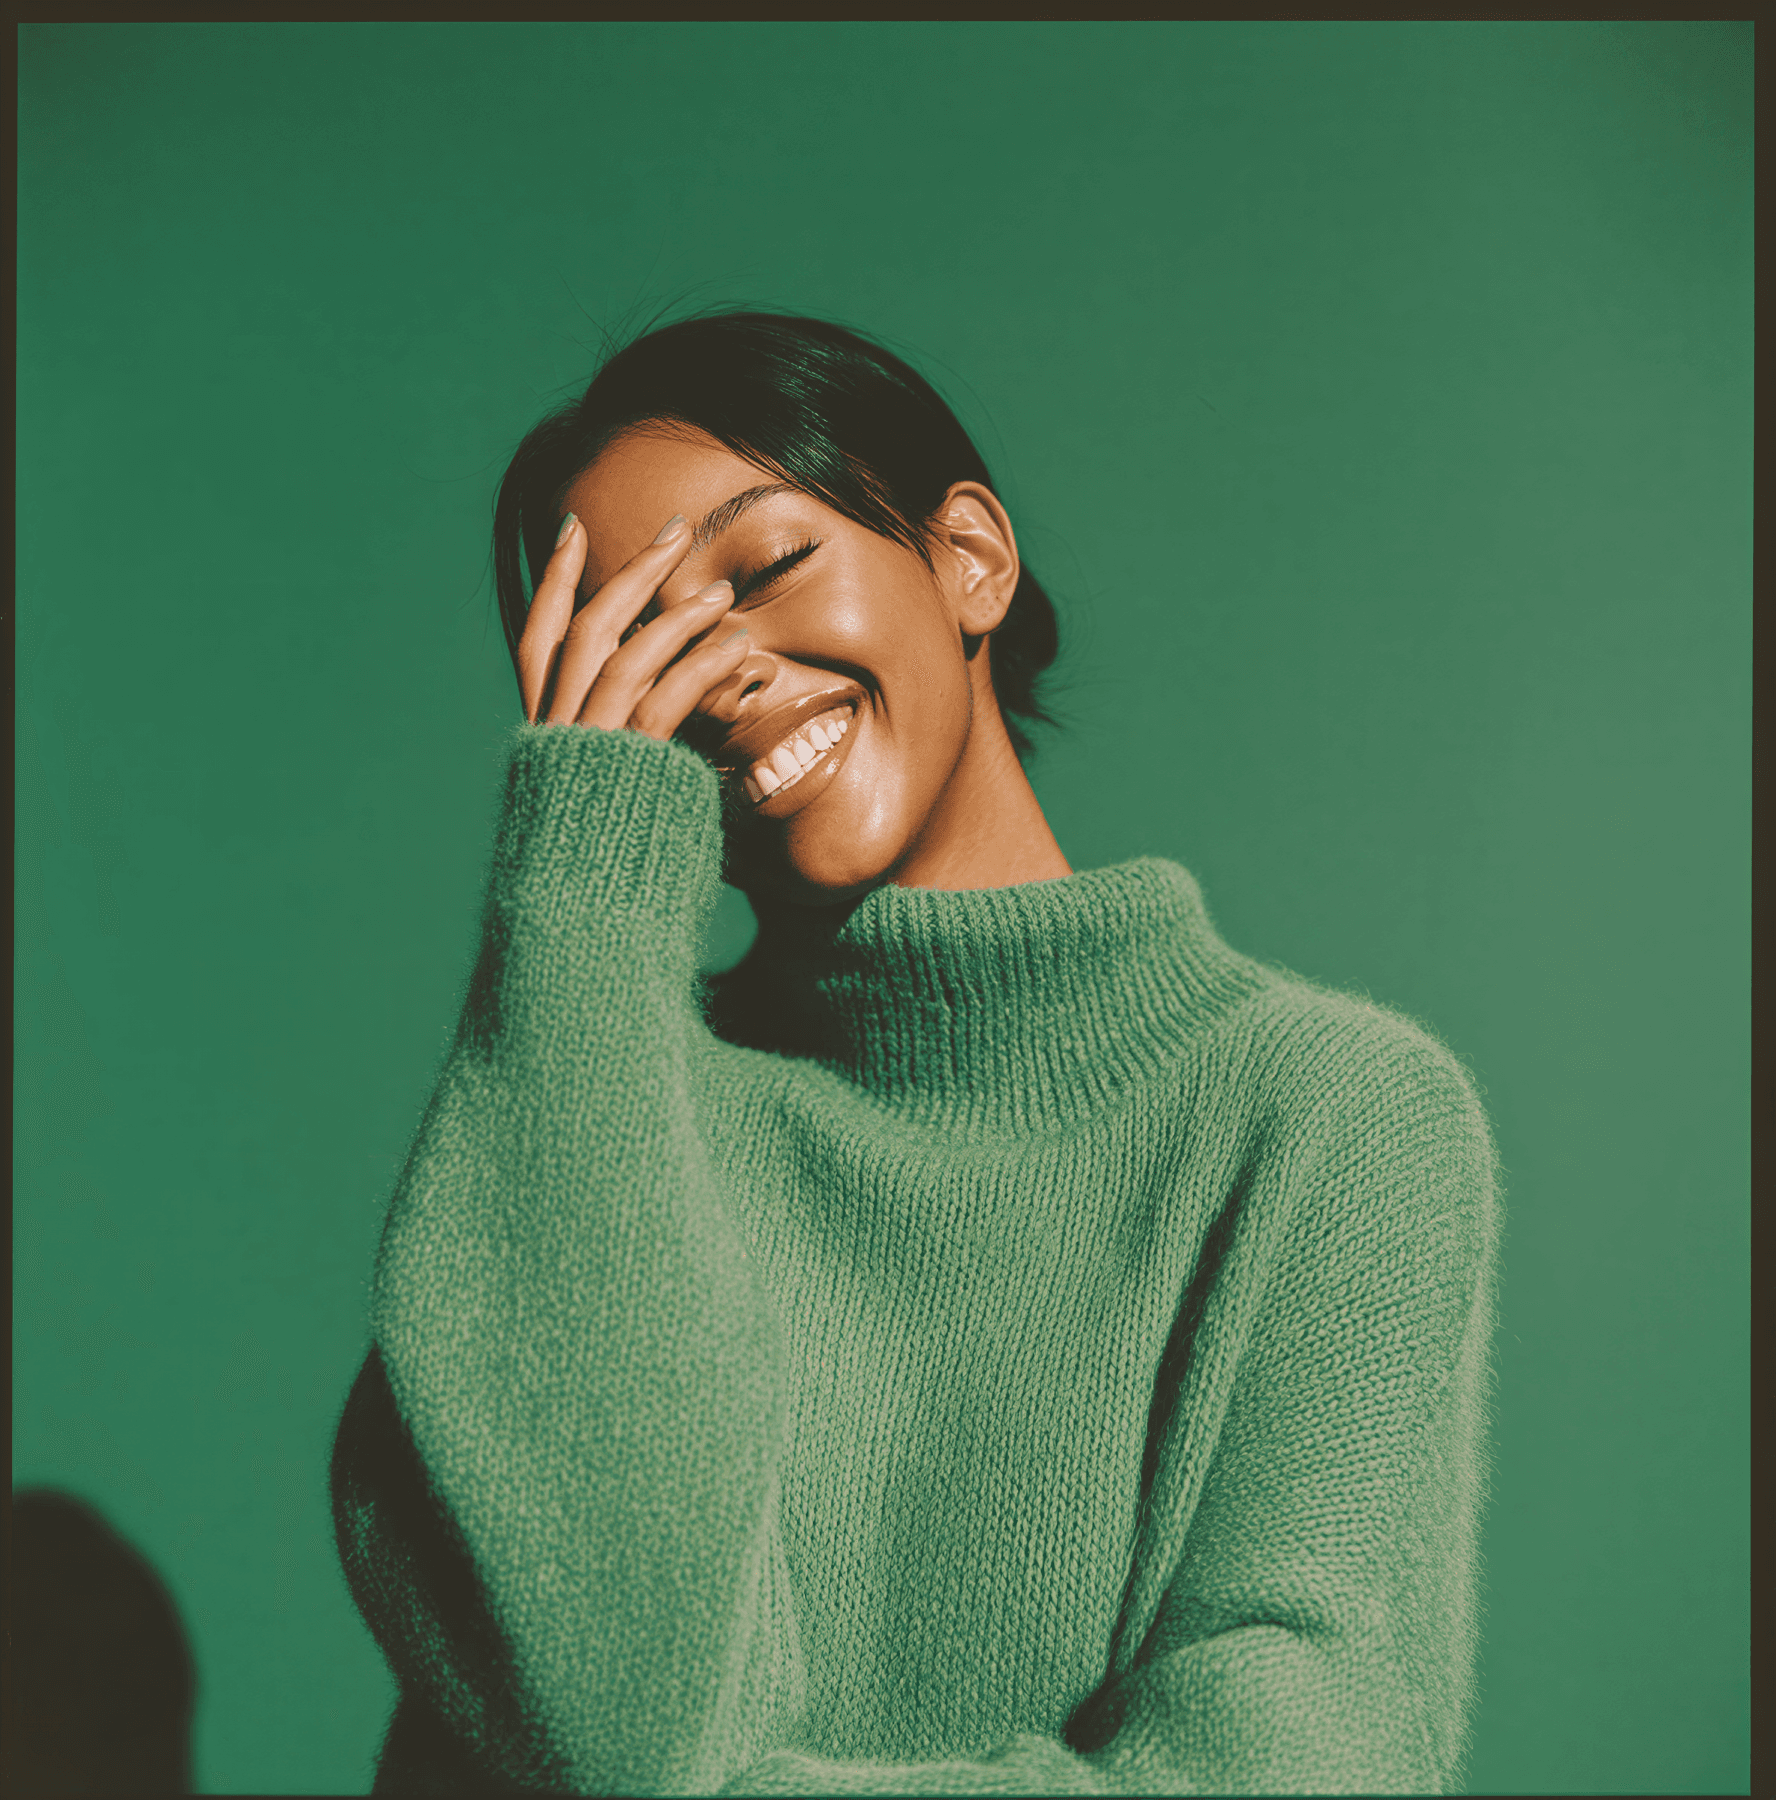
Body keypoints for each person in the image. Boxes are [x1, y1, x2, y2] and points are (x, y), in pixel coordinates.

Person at [331, 310, 1500, 1796]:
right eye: (636, 649)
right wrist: (575, 889)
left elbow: (1285, 1763)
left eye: (761, 572)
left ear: (971, 560)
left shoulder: (1330, 1119)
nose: (719, 674)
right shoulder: (574, 1137)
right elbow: (610, 1729)